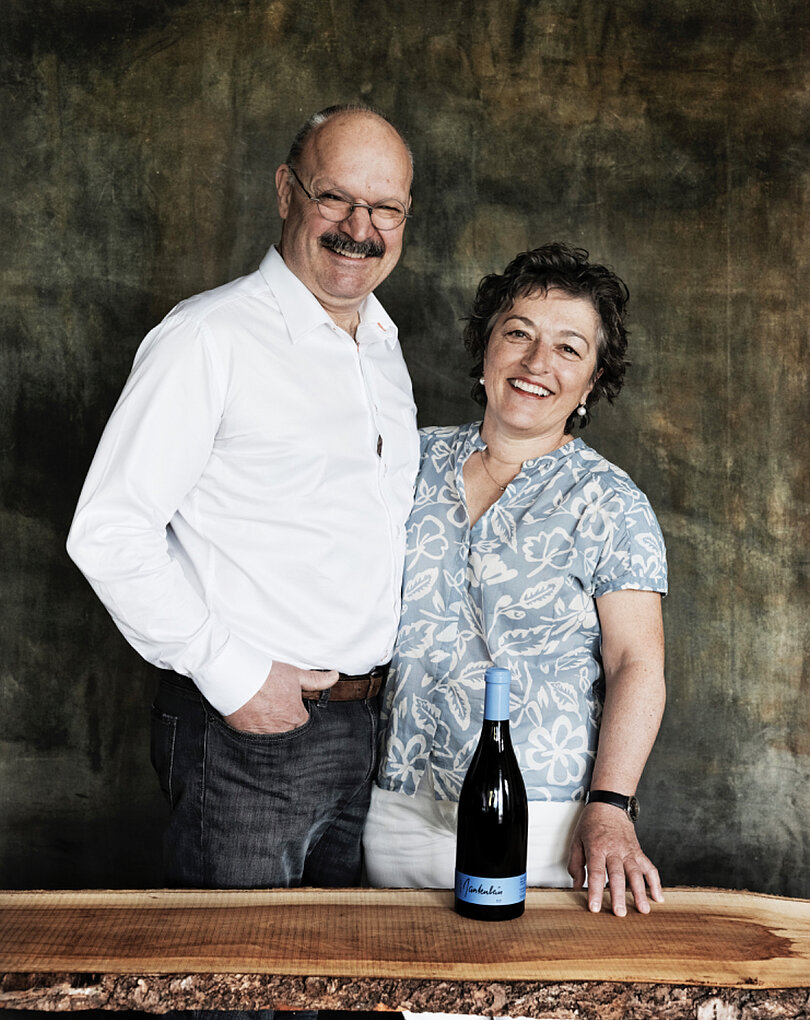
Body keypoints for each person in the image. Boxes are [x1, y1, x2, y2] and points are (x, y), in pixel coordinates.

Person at [67, 104, 419, 892]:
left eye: (385, 207)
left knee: (325, 990)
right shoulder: (209, 338)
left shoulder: (383, 345)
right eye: (336, 198)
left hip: (364, 732)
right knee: (233, 994)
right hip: (247, 733)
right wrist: (233, 676)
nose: (359, 227)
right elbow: (109, 531)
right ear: (286, 191)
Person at [363, 243, 667, 918]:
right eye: (520, 334)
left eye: (568, 348)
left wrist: (611, 808)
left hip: (544, 822)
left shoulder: (609, 502)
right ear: (486, 347)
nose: (537, 364)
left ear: (591, 382)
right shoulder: (409, 461)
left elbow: (636, 661)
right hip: (396, 806)